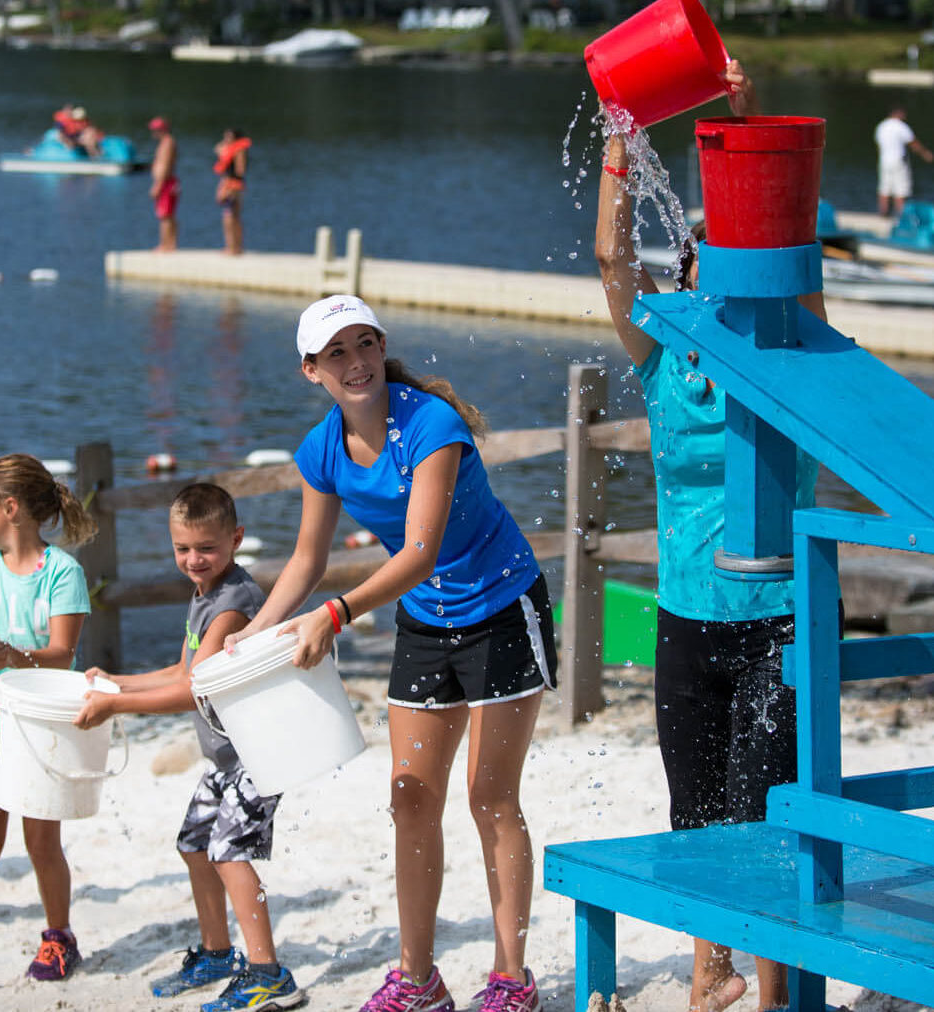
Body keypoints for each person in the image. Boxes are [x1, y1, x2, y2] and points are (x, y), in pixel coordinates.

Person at [236, 295, 555, 1012]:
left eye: (364, 344)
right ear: (311, 370)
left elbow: (418, 553)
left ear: (382, 348)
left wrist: (335, 615)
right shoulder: (321, 449)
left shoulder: (431, 424)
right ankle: (418, 981)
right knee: (410, 797)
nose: (355, 363)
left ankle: (512, 979)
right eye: (336, 353)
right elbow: (307, 559)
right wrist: (256, 630)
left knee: (490, 797)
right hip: (425, 620)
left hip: (502, 608)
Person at [594, 61, 824, 1012]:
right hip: (686, 615)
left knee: (764, 808)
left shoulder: (790, 343)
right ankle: (708, 977)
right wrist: (620, 136)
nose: (716, 272)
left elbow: (787, 241)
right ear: (686, 277)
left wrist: (748, 122)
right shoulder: (663, 356)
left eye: (736, 256)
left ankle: (773, 992)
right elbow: (611, 261)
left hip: (780, 614)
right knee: (695, 811)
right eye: (702, 259)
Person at [74, 483, 304, 1012]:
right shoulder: (203, 594)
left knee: (229, 852)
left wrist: (115, 707)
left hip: (258, 756)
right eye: (182, 548)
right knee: (194, 845)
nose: (194, 560)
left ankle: (268, 973)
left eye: (207, 548)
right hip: (224, 759)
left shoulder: (234, 601)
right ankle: (218, 954)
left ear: (236, 539)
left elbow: (194, 691)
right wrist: (117, 681)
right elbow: (182, 670)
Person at [0, 454, 96, 1004]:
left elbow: (63, 653)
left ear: (10, 509)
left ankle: (59, 937)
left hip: (39, 726)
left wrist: (12, 656)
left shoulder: (62, 572)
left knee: (40, 841)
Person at [874, 106, 934, 218]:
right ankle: (901, 217)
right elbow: (913, 143)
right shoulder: (901, 126)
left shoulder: (881, 126)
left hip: (884, 161)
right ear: (899, 114)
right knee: (900, 190)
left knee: (884, 189)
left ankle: (883, 215)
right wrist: (925, 154)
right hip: (898, 161)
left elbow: (878, 144)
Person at [213, 129, 250, 256]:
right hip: (229, 184)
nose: (226, 140)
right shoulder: (229, 149)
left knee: (230, 217)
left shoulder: (239, 151)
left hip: (233, 186)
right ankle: (232, 246)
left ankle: (234, 247)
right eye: (225, 137)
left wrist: (228, 188)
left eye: (229, 137)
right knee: (231, 216)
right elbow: (217, 148)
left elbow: (240, 171)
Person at [149, 116, 180, 253]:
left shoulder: (168, 143)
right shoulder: (165, 142)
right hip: (165, 182)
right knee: (166, 214)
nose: (153, 132)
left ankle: (166, 245)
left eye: (155, 130)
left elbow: (166, 165)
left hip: (166, 183)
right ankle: (169, 244)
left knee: (165, 215)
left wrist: (158, 185)